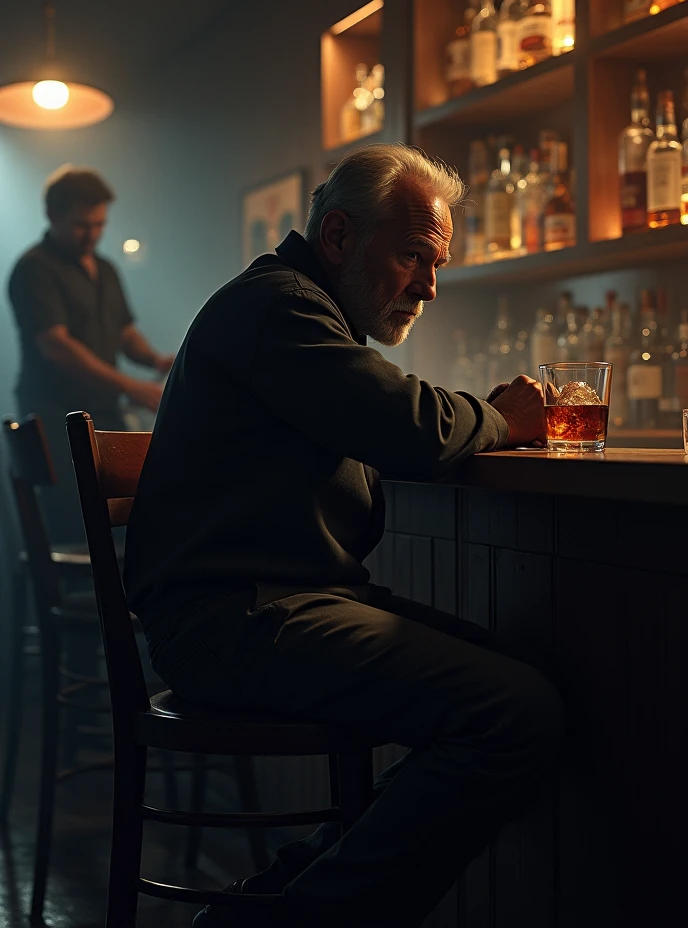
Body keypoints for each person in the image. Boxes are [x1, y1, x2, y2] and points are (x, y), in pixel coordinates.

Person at [124, 144, 564, 928]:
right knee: (513, 713)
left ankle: (270, 908)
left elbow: (390, 416)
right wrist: (505, 417)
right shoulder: (277, 306)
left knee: (527, 684)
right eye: (411, 257)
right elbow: (409, 425)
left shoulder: (297, 309)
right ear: (337, 237)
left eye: (436, 265)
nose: (429, 286)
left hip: (267, 607)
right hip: (233, 621)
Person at [7, 165, 174, 543]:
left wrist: (155, 361)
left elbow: (125, 332)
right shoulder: (33, 268)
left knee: (124, 522)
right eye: (83, 225)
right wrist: (131, 386)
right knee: (74, 527)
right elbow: (57, 346)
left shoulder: (106, 268)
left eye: (100, 224)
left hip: (102, 415)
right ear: (52, 215)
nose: (94, 234)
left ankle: (117, 599)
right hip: (55, 420)